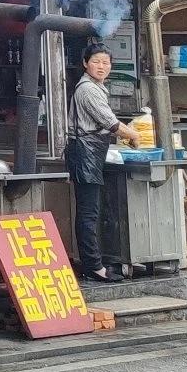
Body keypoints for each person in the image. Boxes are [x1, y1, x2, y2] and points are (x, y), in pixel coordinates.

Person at [69, 48, 137, 283]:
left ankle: (93, 263)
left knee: (91, 212)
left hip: (91, 151)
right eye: (96, 61)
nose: (101, 66)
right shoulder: (88, 89)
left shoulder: (97, 88)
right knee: (88, 213)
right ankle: (93, 266)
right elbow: (110, 123)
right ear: (85, 63)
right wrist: (133, 135)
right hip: (85, 152)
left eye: (106, 62)